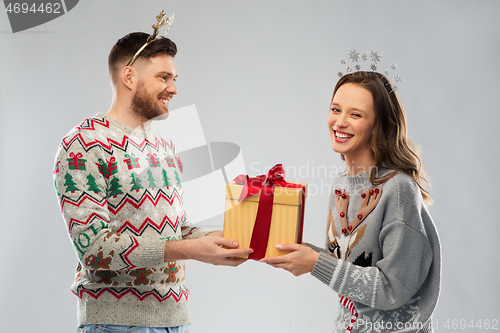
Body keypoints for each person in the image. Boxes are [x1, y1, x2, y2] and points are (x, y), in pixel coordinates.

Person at [53, 13, 253, 333]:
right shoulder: (84, 143)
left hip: (176, 322)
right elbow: (94, 249)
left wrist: (212, 241)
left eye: (174, 78)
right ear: (129, 77)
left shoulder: (163, 146)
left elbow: (176, 231)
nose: (173, 88)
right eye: (163, 77)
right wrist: (188, 249)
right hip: (116, 325)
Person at [263, 71, 441, 333]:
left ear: (378, 125)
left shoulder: (399, 189)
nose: (340, 122)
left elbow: (393, 288)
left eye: (355, 115)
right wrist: (298, 251)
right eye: (336, 109)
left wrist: (314, 263)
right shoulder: (340, 184)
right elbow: (348, 268)